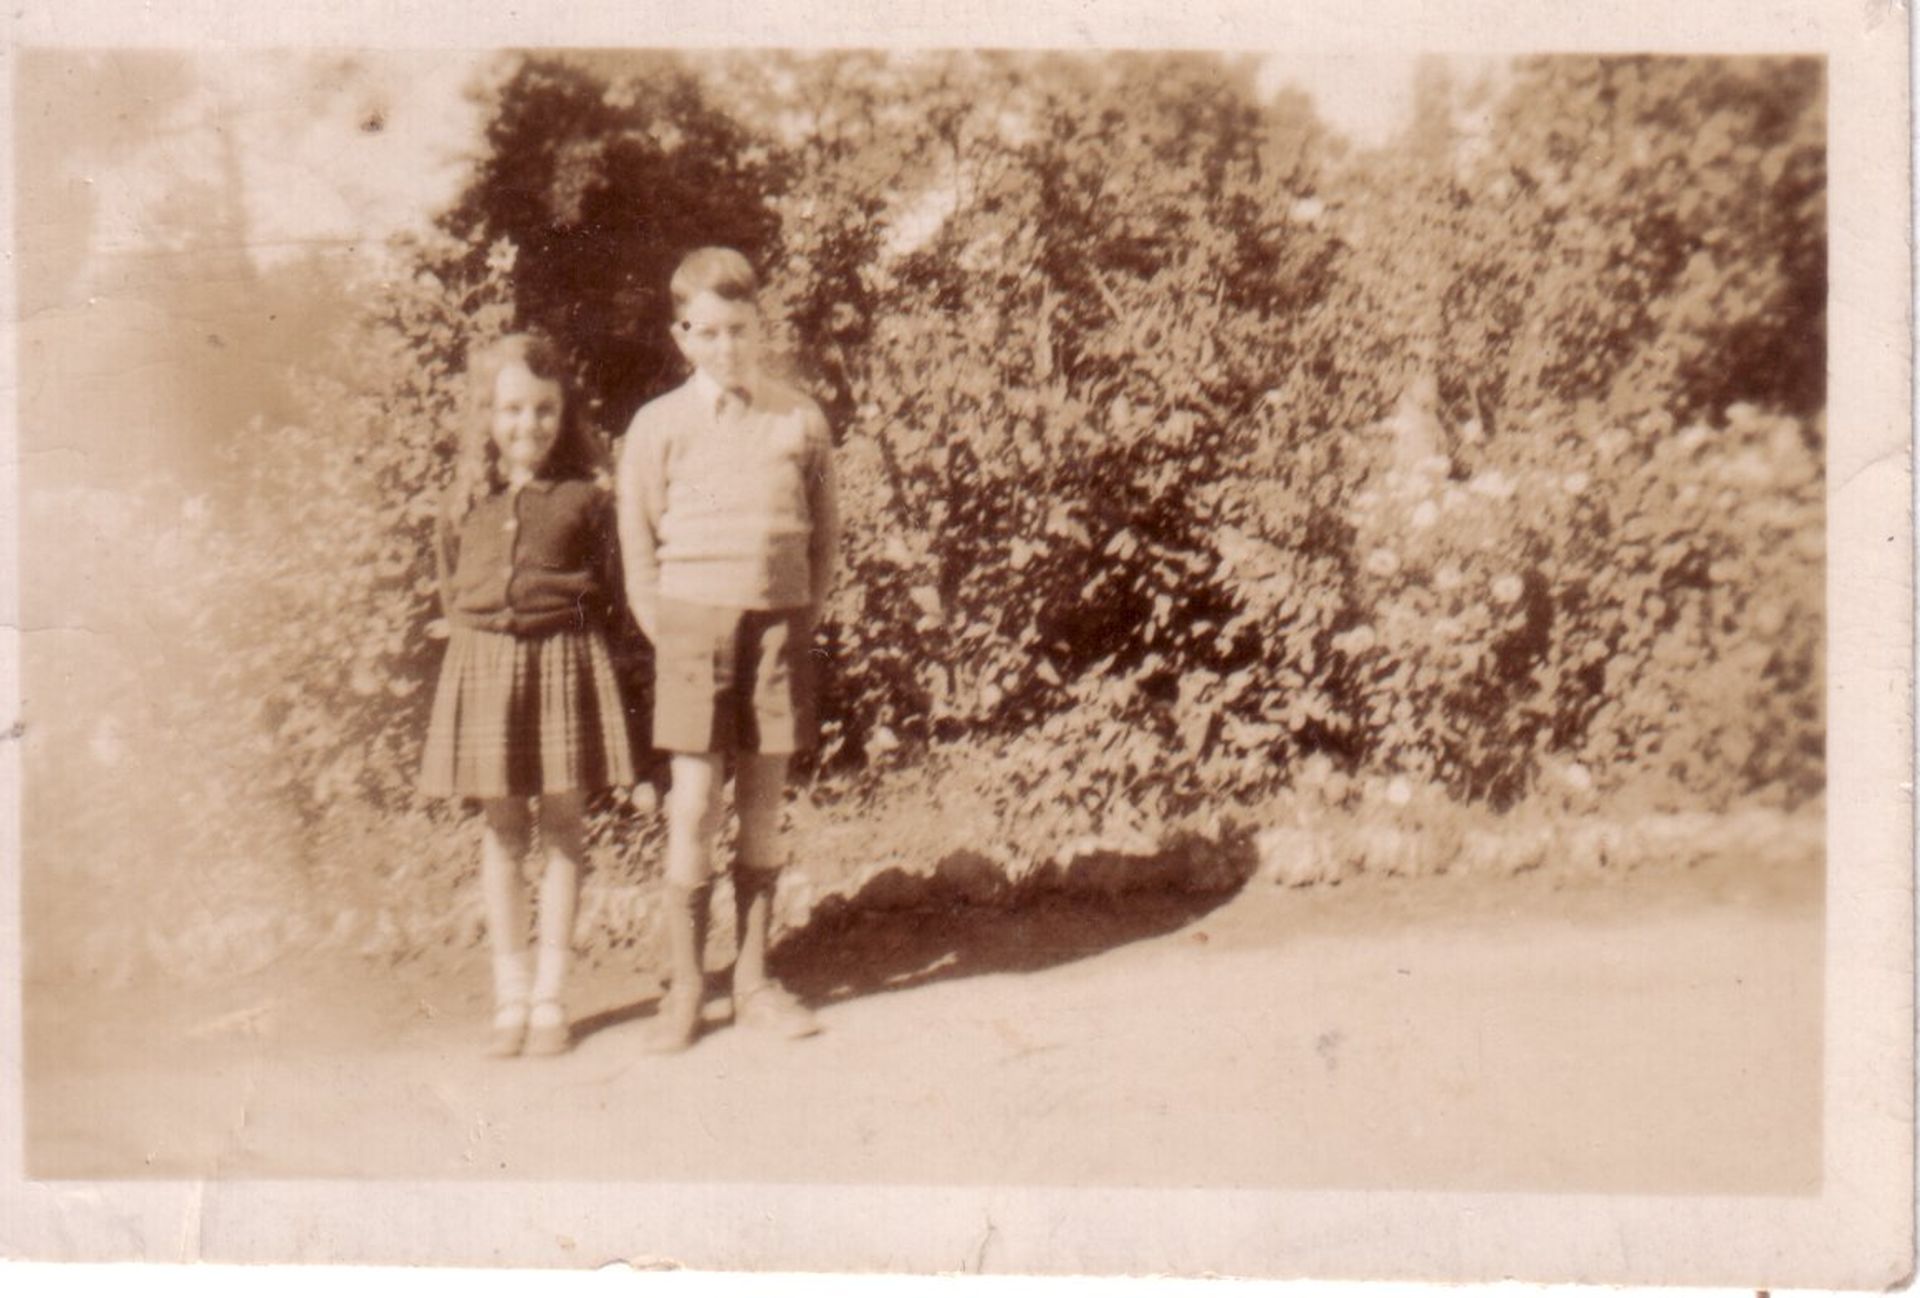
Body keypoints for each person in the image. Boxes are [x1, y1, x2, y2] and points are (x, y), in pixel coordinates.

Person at [616, 246, 839, 1053]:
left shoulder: (797, 417)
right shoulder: (657, 427)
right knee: (694, 801)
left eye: (739, 329)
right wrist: (662, 625)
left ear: (760, 325)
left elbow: (825, 533)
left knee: (761, 804)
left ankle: (752, 980)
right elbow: (637, 540)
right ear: (682, 335)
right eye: (707, 332)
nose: (726, 347)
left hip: (775, 621)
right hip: (690, 622)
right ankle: (685, 985)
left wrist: (800, 615)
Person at [420, 332, 637, 1058]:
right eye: (512, 410)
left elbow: (610, 590)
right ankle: (509, 994)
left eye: (545, 410)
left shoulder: (587, 498)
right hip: (486, 671)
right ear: (487, 414)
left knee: (565, 833)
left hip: (564, 665)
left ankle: (551, 996)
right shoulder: (463, 504)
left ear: (563, 412)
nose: (529, 425)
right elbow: (455, 593)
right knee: (503, 834)